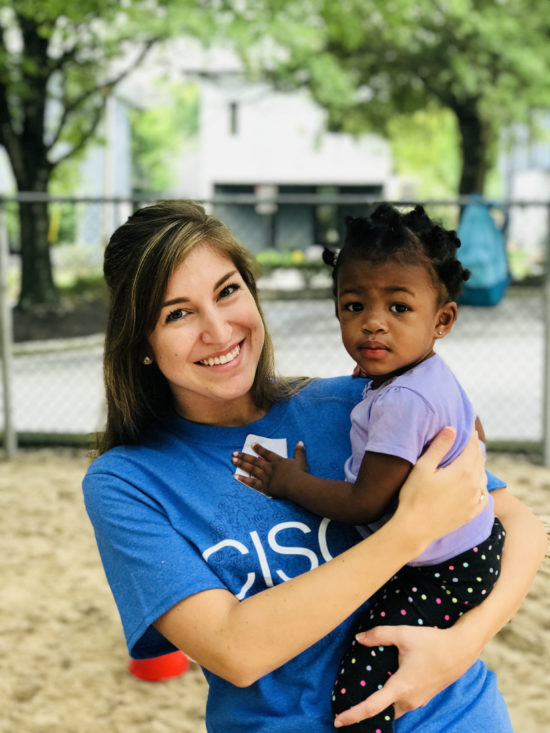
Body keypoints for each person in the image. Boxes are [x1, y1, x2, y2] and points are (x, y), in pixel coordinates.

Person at [82, 200, 546, 733]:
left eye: (227, 291)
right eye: (177, 313)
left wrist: (460, 646)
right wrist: (410, 530)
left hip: (459, 716)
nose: (217, 329)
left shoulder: (358, 401)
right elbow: (237, 649)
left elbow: (520, 524)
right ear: (141, 342)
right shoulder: (129, 482)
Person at [231, 204, 505, 732]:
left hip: (444, 568)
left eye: (399, 308)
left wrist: (291, 481)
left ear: (442, 319)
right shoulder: (420, 374)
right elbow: (477, 430)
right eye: (354, 305)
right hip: (471, 546)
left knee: (363, 671)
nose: (373, 322)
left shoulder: (403, 399)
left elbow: (367, 503)